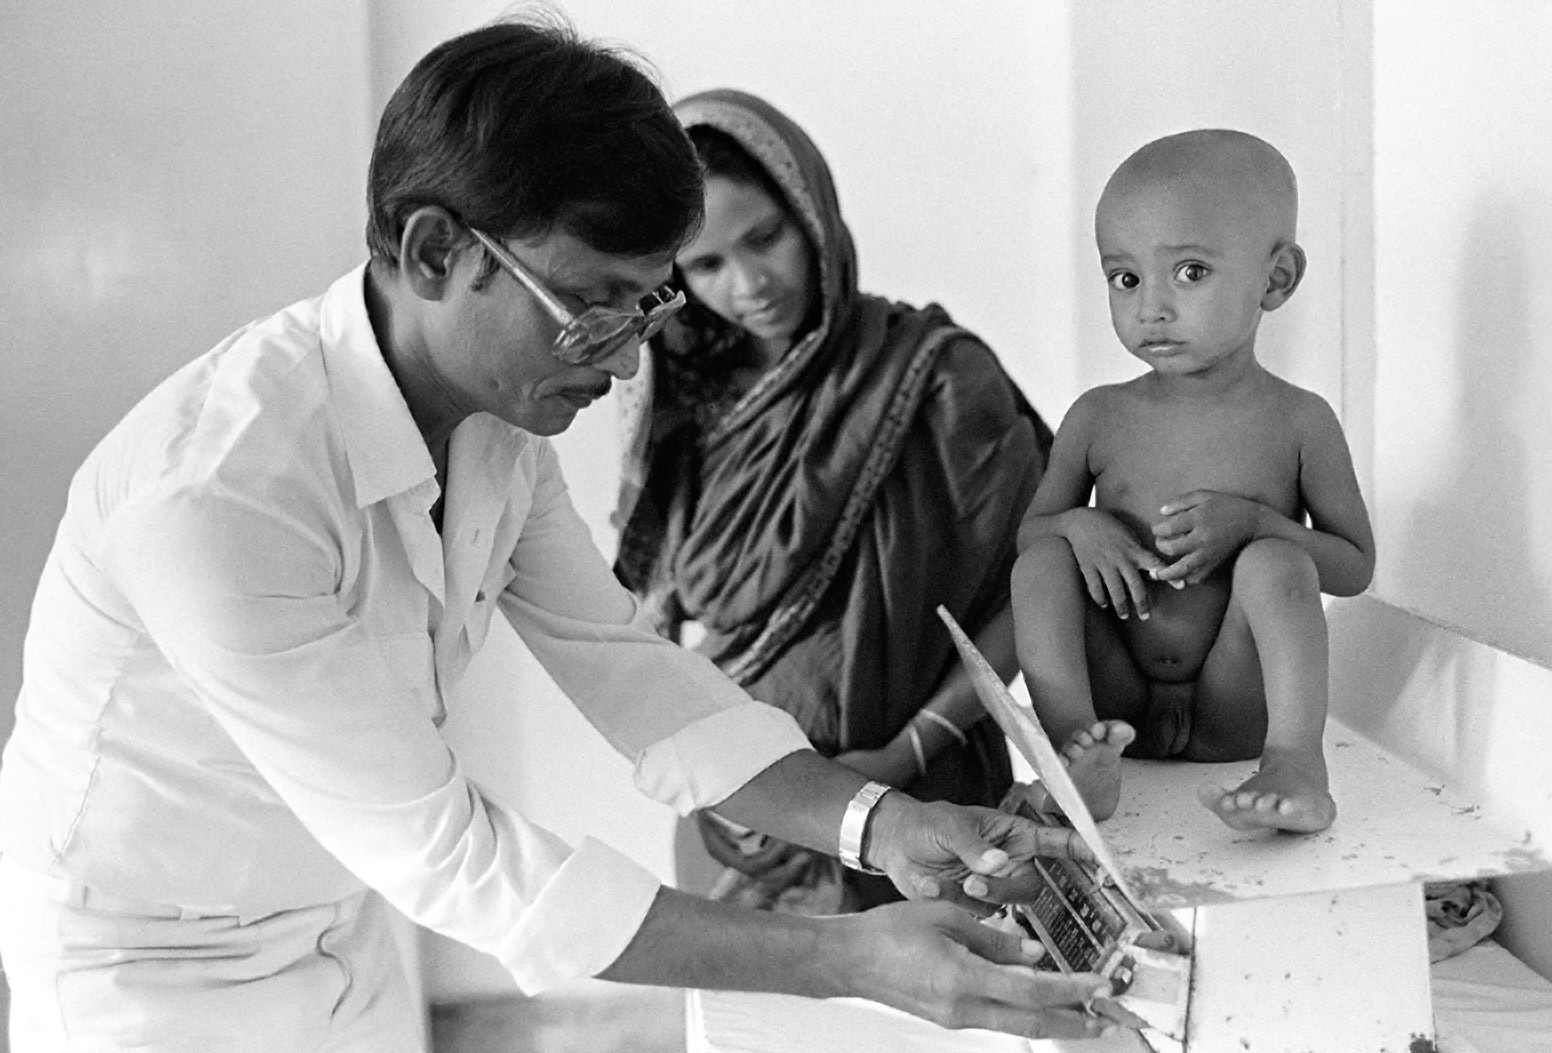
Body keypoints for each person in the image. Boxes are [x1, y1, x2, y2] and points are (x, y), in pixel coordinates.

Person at [0, 19, 1117, 1052]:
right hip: (154, 980)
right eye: (593, 306)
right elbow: (451, 852)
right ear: (436, 253)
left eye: (647, 307)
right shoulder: (220, 499)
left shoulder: (492, 424)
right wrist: (848, 961)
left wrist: (882, 825)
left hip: (337, 924)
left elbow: (629, 668)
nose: (627, 361)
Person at [612, 89, 1052, 915]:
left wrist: (902, 754)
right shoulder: (684, 409)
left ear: (811, 212)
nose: (749, 284)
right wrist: (729, 784)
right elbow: (654, 627)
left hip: (931, 801)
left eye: (765, 238)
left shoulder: (938, 379)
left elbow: (1037, 589)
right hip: (745, 816)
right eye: (706, 266)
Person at [1011, 129, 1376, 834]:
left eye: (1190, 272)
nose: (1151, 307)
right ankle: (1074, 758)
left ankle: (1295, 763)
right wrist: (1078, 527)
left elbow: (1354, 566)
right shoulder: (1097, 416)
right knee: (1042, 563)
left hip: (1232, 704)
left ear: (1276, 279)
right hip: (1117, 705)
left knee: (1276, 562)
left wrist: (1257, 525)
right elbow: (1031, 535)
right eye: (1125, 279)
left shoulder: (1300, 421)